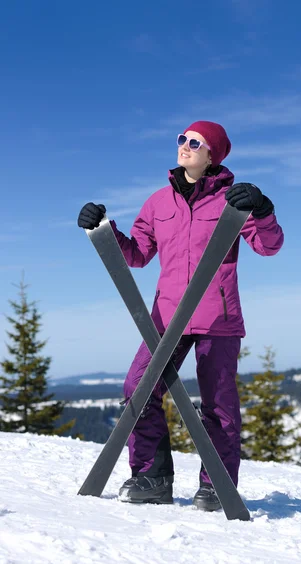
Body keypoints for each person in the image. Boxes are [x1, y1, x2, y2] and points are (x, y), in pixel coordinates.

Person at [77, 121, 284, 511]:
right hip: (165, 318)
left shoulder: (234, 200)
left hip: (217, 318)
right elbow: (137, 254)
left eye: (195, 142)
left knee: (218, 405)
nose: (184, 146)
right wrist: (104, 230)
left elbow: (269, 246)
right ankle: (152, 477)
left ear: (212, 155)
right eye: (182, 139)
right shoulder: (158, 202)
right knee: (137, 389)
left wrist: (264, 208)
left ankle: (215, 486)